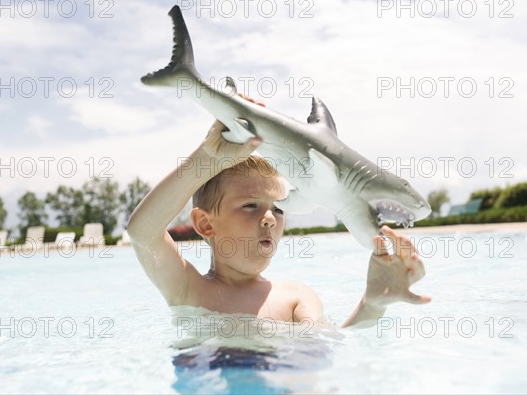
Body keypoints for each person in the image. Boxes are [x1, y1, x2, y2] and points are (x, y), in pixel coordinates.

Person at [128, 100, 430, 328]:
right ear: (206, 224)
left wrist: (372, 304)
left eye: (279, 208)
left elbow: (332, 350)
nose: (270, 218)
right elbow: (143, 233)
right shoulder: (188, 290)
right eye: (250, 205)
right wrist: (206, 159)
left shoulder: (295, 298)